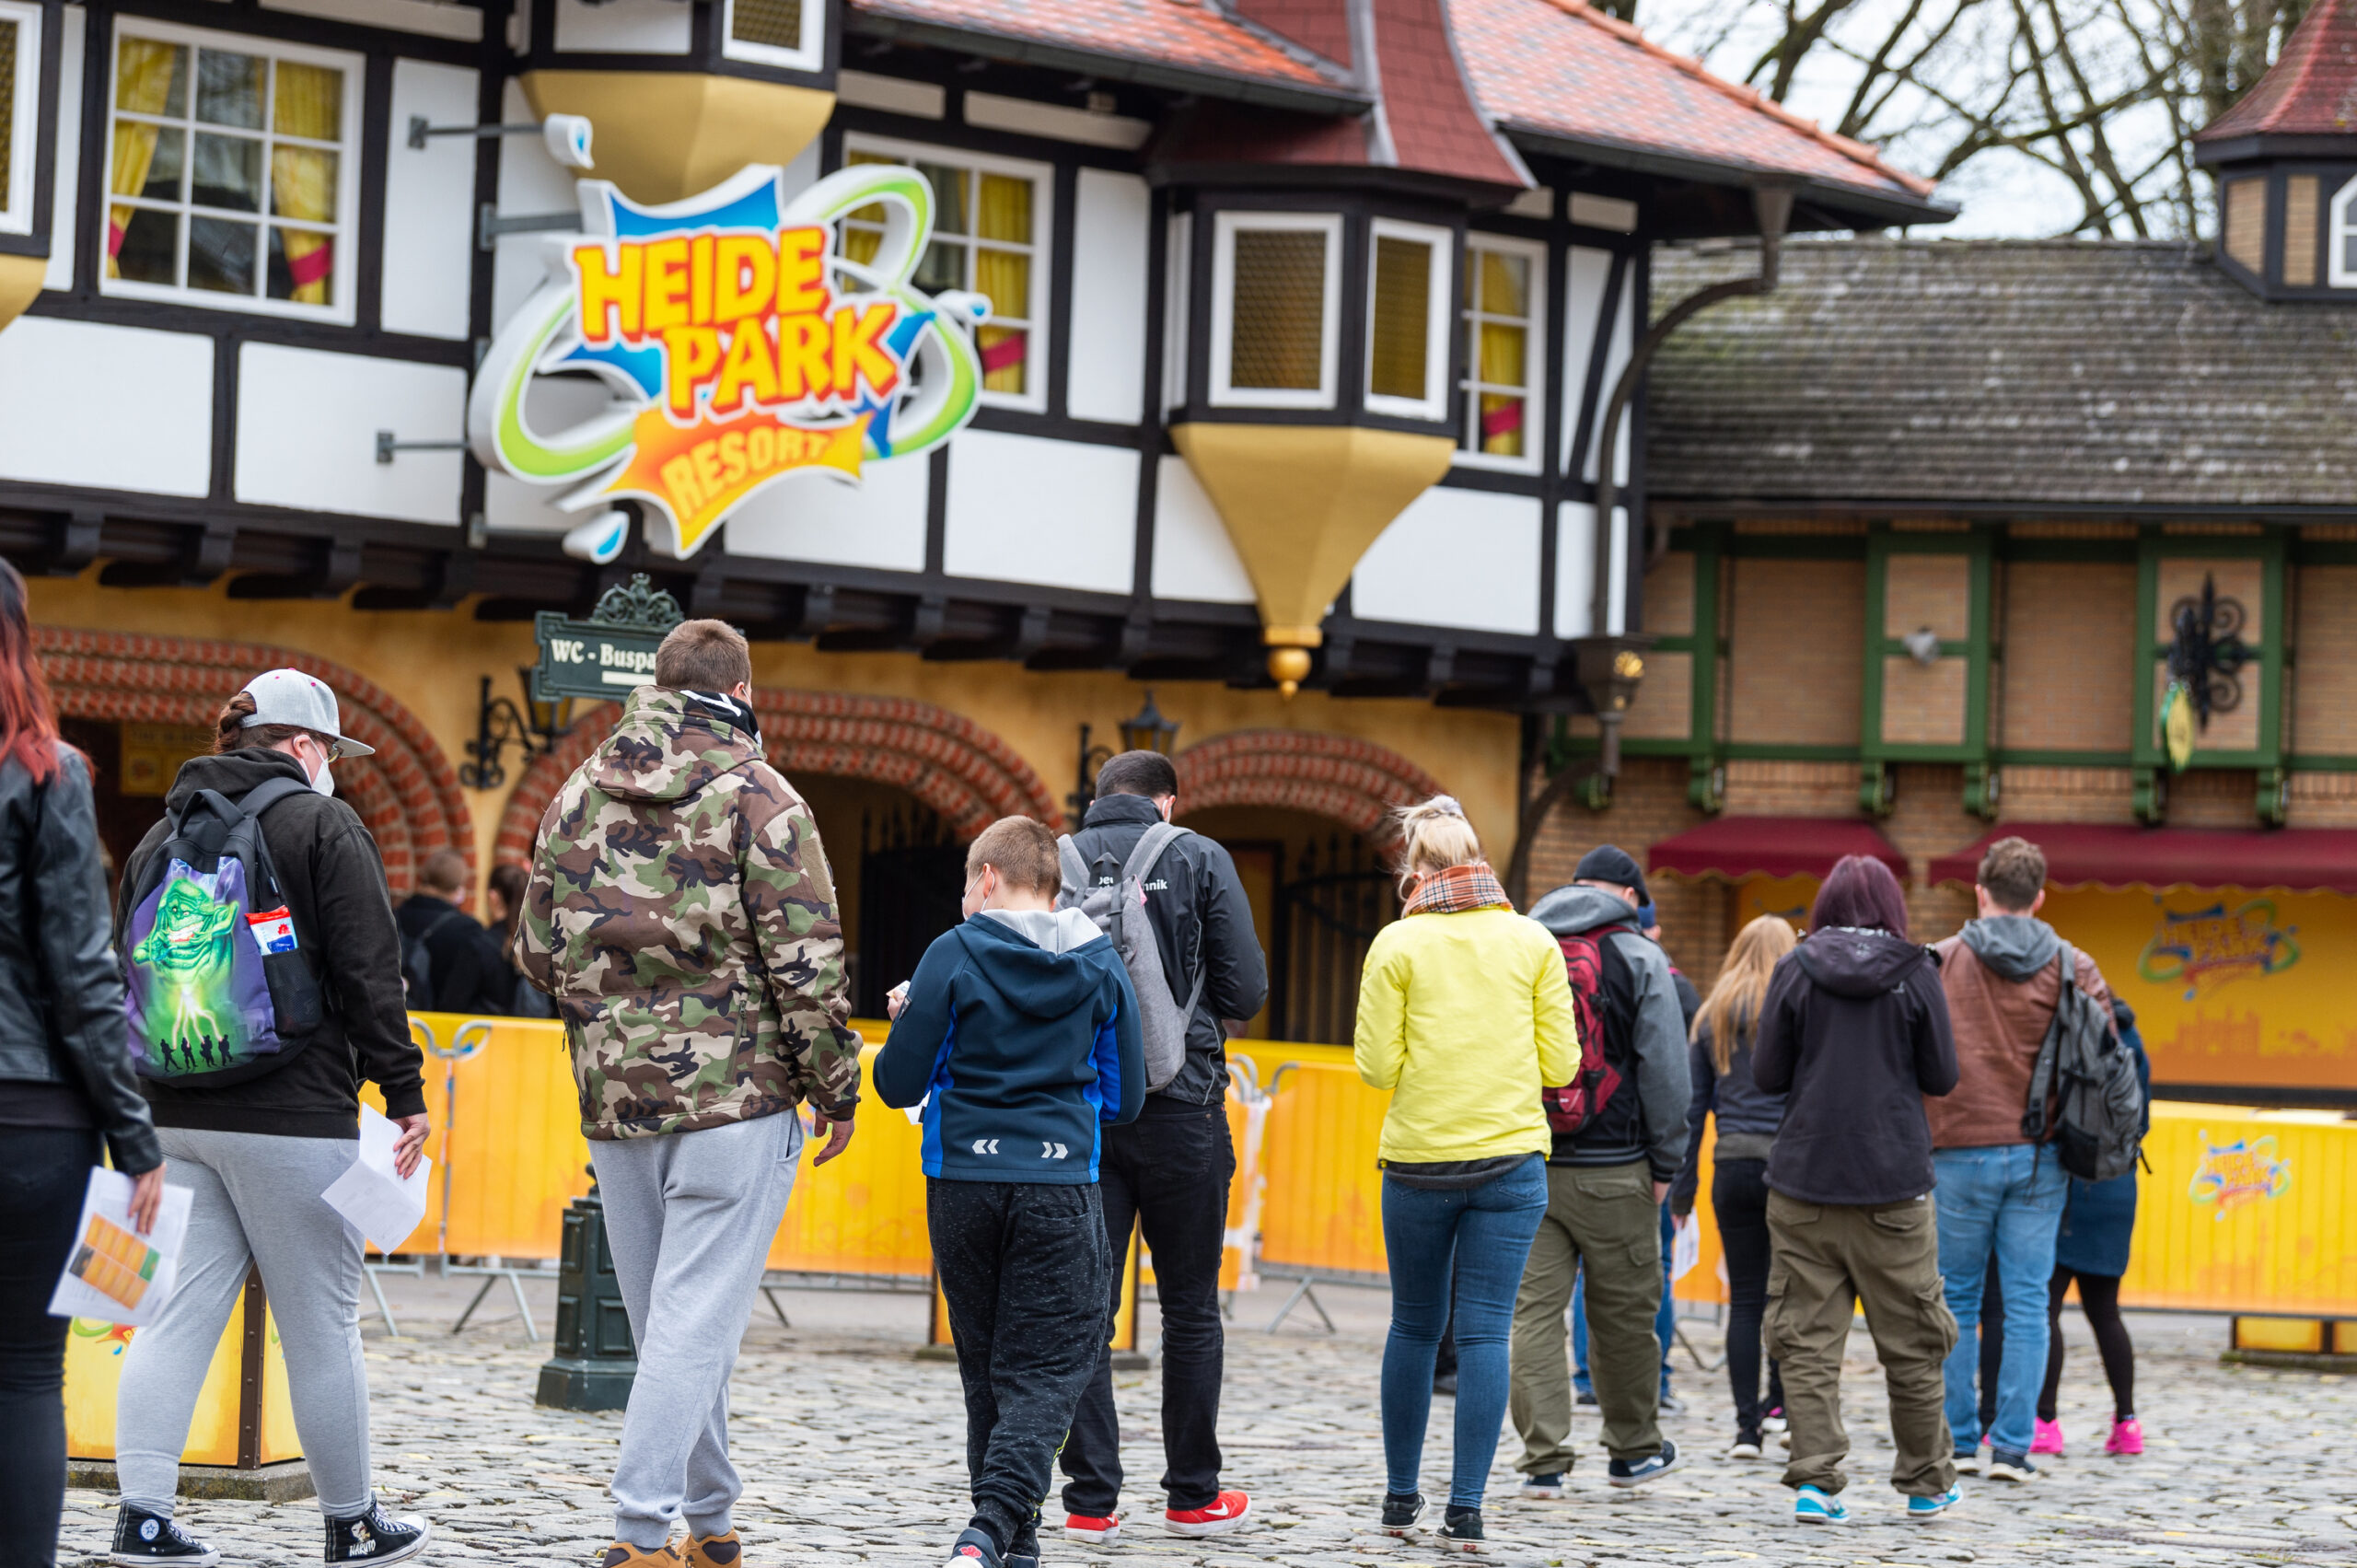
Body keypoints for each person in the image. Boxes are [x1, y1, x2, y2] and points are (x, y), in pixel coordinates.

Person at [517, 619, 863, 1568]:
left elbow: (535, 948)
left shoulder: (575, 791)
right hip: (735, 1096)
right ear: (741, 689)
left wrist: (615, 1008)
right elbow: (808, 959)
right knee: (692, 1317)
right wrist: (837, 1086)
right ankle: (638, 1532)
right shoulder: (760, 793)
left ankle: (710, 1519)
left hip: (616, 1101)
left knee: (674, 1317)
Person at [111, 668, 433, 1566]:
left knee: (173, 1313)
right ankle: (353, 1520)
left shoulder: (157, 834)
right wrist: (401, 1092)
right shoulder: (324, 824)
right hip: (291, 1114)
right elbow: (372, 969)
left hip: (171, 1108)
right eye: (327, 750)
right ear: (301, 745)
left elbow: (121, 968)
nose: (330, 766)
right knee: (320, 1322)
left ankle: (142, 1516)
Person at [875, 816, 1145, 1568]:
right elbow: (1125, 1101)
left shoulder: (951, 954)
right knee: (1055, 1362)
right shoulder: (1101, 963)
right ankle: (997, 1527)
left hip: (962, 1178)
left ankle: (1002, 1538)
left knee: (987, 1364)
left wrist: (907, 1025)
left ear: (987, 878)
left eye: (966, 882)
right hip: (1060, 1180)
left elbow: (898, 1079)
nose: (965, 896)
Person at [1056, 750, 1267, 1544]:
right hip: (1185, 1106)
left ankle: (1089, 1502)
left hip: (1083, 1114)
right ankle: (1192, 1494)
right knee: (1189, 1310)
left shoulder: (1056, 859)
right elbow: (1246, 988)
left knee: (1086, 1308)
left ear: (1098, 800)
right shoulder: (1201, 856)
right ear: (1167, 803)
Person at [0, 562, 165, 1568]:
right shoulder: (46, 772)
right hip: (29, 1117)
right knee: (22, 1371)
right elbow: (81, 972)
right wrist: (135, 1139)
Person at [1354, 797, 1573, 1550]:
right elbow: (1564, 1064)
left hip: (1419, 1159)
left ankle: (1398, 1494)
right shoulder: (1533, 940)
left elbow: (1377, 1066)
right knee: (1485, 1332)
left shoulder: (1397, 945)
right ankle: (1468, 1506)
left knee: (1414, 1324)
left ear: (1415, 869)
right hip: (1511, 1159)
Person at [1751, 854, 1962, 1524]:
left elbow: (1766, 1074)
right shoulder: (1917, 970)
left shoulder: (1795, 967)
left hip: (1805, 1182)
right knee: (1914, 1341)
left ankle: (1816, 1481)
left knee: (1806, 1341)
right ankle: (1927, 1482)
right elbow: (1943, 1075)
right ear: (1890, 905)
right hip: (1894, 1185)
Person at [1930, 835, 2115, 1484]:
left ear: (1979, 891)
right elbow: (2109, 1050)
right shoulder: (2072, 964)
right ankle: (2012, 1446)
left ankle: (1955, 1440)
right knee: (2029, 1302)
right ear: (2039, 897)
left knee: (1953, 1299)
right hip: (2040, 1155)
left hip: (1954, 1150)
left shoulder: (1945, 960)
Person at [1511, 845, 1691, 1495]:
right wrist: (1668, 1162)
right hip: (1620, 1168)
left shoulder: (1525, 944)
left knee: (1532, 1314)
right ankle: (1634, 1448)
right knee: (1623, 1316)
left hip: (1531, 1159)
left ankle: (1544, 1461)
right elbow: (1669, 1073)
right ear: (1631, 896)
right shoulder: (1642, 956)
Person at [1671, 913, 1796, 1459]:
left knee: (1745, 1298)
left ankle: (1746, 1430)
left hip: (1732, 1165)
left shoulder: (1712, 1014)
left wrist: (1681, 1189)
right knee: (1788, 1294)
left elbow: (1693, 1112)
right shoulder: (1795, 1011)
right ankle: (1781, 1408)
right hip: (1790, 1168)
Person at [2030, 995, 2150, 1458]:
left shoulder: (2066, 1036)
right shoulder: (2132, 1041)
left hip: (2068, 1183)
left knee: (2047, 1308)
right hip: (2118, 1185)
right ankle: (2128, 1422)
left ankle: (2044, 1423)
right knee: (2106, 1311)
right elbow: (2142, 1121)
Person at [396, 847, 514, 1015]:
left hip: (395, 1021)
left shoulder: (393, 916)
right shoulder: (468, 929)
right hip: (443, 1029)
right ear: (458, 886)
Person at [482, 861, 553, 1017]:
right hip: (536, 1037)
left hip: (487, 1038)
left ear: (493, 897)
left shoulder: (481, 944)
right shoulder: (543, 944)